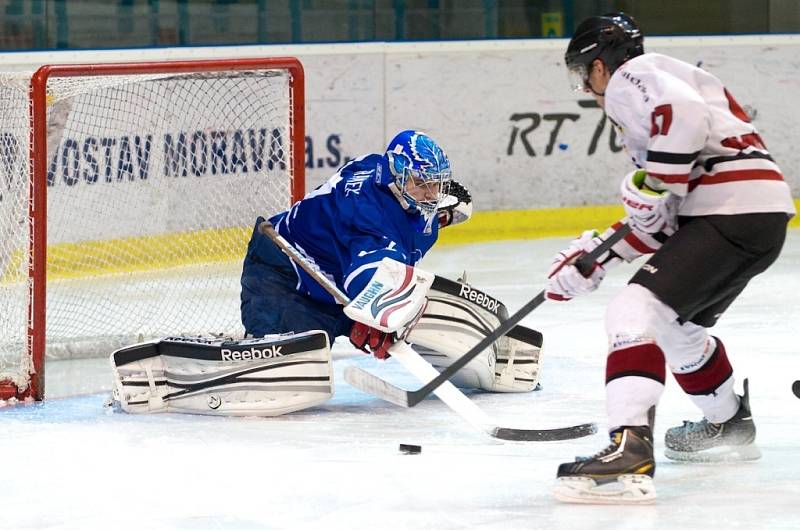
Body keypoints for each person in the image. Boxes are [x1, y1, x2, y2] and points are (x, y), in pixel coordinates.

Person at [547, 13, 795, 504]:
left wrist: (656, 182)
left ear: (599, 67)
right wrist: (594, 259)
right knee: (677, 328)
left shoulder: (632, 78)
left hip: (729, 209)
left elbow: (674, 143)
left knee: (634, 312)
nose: (590, 89)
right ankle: (728, 424)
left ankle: (628, 453)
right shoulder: (658, 99)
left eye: (585, 75)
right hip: (758, 214)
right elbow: (659, 223)